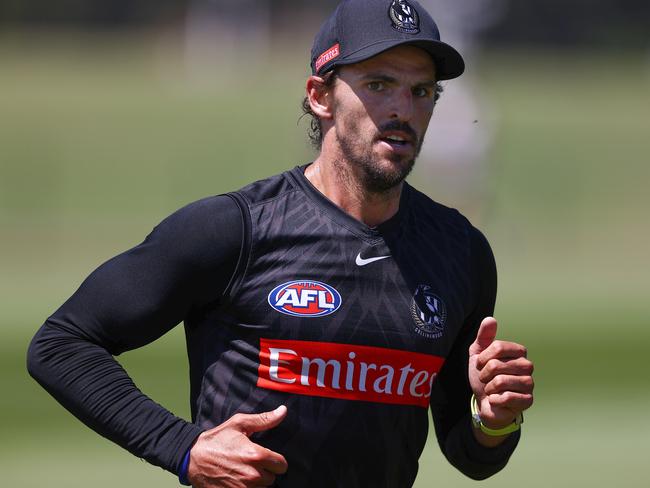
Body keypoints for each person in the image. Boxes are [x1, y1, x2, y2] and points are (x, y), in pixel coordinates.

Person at [27, 1, 534, 487]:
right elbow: (62, 344)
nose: (403, 110)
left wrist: (494, 420)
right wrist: (182, 447)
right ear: (320, 96)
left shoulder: (461, 253)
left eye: (422, 92)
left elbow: (469, 453)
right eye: (379, 85)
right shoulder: (235, 229)